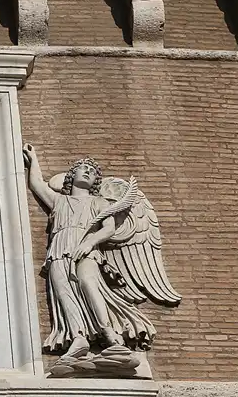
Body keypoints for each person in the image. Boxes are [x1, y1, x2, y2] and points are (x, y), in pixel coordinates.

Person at [22, 143, 153, 360]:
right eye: (83, 168)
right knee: (63, 291)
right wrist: (32, 158)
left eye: (92, 172)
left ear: (95, 182)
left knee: (88, 284)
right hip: (59, 249)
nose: (88, 172)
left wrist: (90, 242)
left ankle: (109, 334)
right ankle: (78, 337)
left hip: (86, 248)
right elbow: (36, 183)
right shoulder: (59, 201)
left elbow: (109, 228)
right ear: (72, 175)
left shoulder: (99, 202)